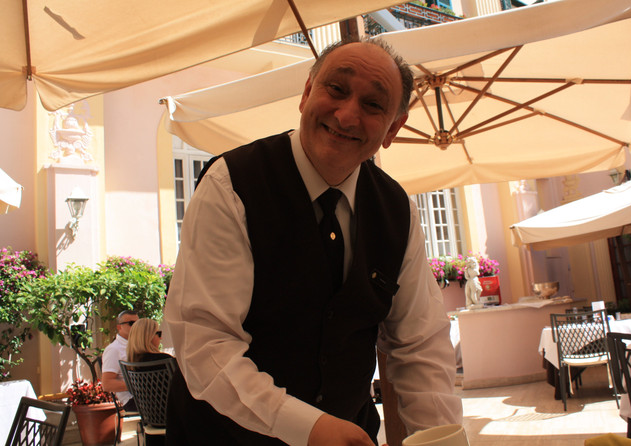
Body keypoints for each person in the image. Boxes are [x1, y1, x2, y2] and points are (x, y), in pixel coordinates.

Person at [164, 37, 462, 446]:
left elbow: (420, 345)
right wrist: (308, 427)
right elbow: (205, 344)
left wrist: (439, 439)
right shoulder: (230, 184)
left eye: (373, 104)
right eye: (336, 89)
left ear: (393, 128)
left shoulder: (396, 210)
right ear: (306, 93)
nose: (347, 115)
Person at [102, 309, 139, 411]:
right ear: (119, 327)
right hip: (132, 399)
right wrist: (140, 385)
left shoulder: (138, 345)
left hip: (145, 396)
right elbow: (107, 384)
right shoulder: (114, 349)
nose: (135, 327)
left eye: (138, 324)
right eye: (131, 323)